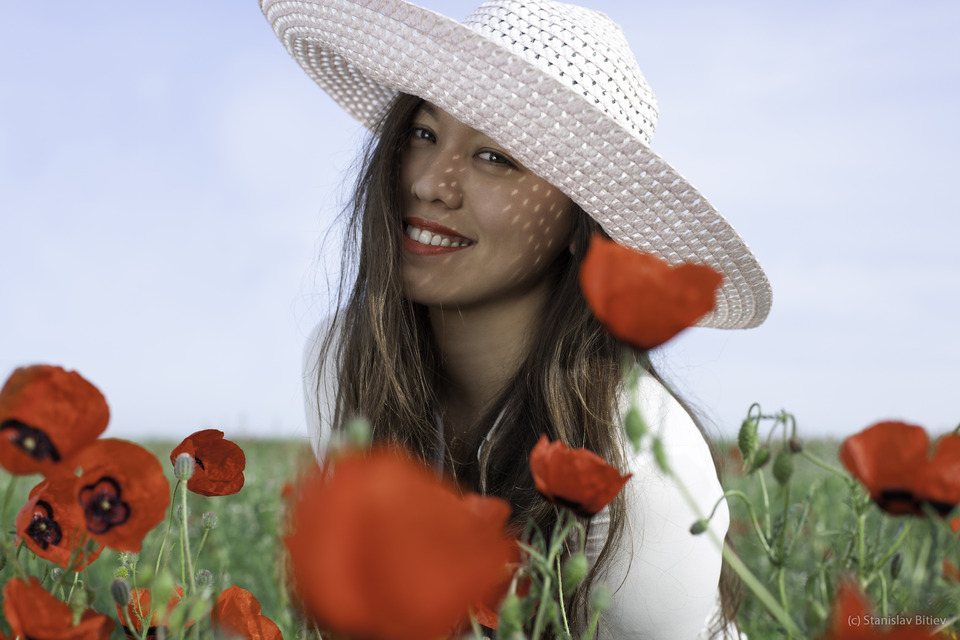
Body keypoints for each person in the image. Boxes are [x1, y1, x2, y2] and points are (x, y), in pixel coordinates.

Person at [261, 0, 772, 637]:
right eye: (423, 133)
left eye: (495, 157)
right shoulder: (341, 360)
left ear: (579, 223)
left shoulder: (643, 468)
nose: (431, 184)